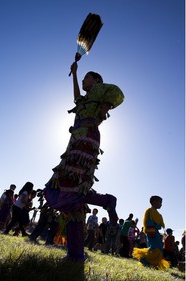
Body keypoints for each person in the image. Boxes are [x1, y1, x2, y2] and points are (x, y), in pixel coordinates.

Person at [43, 61, 124, 262]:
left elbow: (117, 92)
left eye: (88, 76)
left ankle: (106, 202)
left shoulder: (100, 90)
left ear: (96, 80)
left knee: (67, 187)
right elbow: (77, 96)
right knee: (68, 195)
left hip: (87, 138)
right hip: (75, 140)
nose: (85, 80)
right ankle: (76, 254)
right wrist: (76, 72)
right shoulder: (85, 99)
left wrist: (104, 110)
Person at [132, 195, 170, 269]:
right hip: (151, 232)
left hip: (156, 233)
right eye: (160, 202)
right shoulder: (149, 211)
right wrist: (155, 226)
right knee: (154, 248)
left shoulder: (159, 214)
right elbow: (148, 222)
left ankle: (152, 263)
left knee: (158, 248)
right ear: (154, 202)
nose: (161, 204)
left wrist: (157, 227)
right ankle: (144, 259)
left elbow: (160, 225)